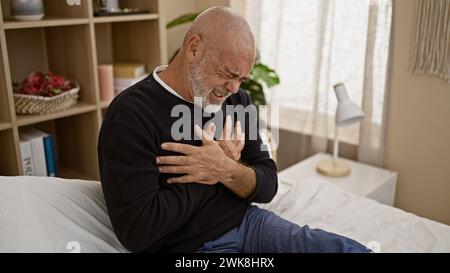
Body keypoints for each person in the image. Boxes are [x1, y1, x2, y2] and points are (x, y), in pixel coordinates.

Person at [97, 6, 370, 253]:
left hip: (249, 225)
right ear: (194, 49)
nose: (234, 88)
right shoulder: (130, 116)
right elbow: (138, 232)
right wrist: (210, 173)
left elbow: (268, 184)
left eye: (242, 78)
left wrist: (226, 169)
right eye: (228, 74)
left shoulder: (237, 101)